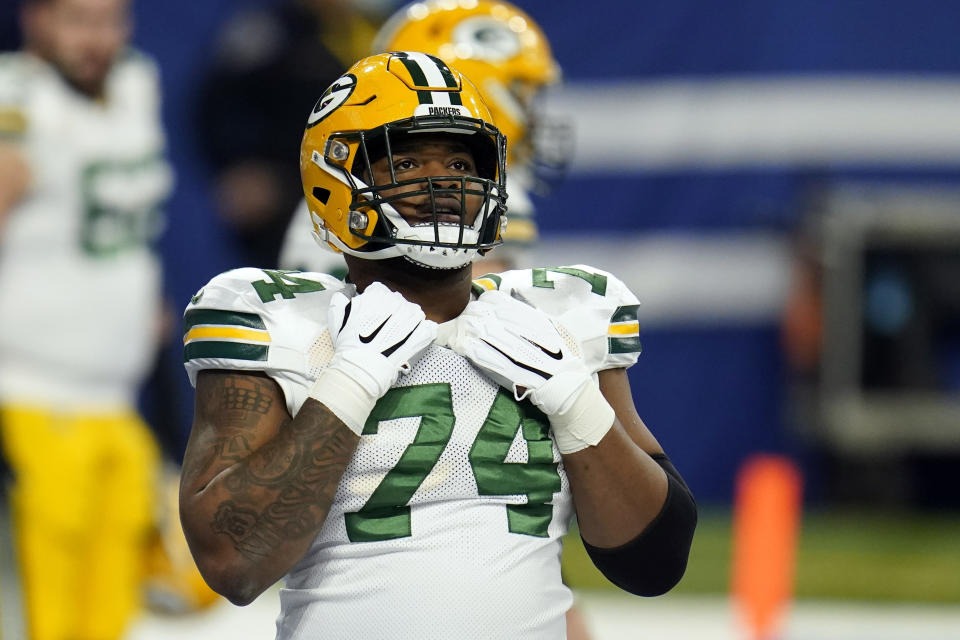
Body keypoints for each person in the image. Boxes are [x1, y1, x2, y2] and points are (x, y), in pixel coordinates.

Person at [179, 52, 696, 638]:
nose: (442, 182)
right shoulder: (282, 321)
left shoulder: (560, 319)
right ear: (336, 179)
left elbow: (653, 562)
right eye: (404, 161)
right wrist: (348, 385)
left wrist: (578, 407)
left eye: (458, 160)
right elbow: (232, 561)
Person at [0, 0, 173, 637]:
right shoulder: (14, 95)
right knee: (50, 611)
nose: (97, 39)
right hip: (33, 391)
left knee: (112, 608)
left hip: (115, 389)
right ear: (35, 20)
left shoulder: (136, 81)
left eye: (110, 20)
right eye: (77, 20)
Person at [278, 0, 571, 278]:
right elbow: (482, 314)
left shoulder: (351, 180)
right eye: (522, 92)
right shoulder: (470, 193)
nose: (531, 116)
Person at [194, 0, 382, 268]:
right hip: (287, 195)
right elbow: (216, 106)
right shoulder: (265, 33)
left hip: (366, 190)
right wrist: (238, 165)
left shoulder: (379, 29)